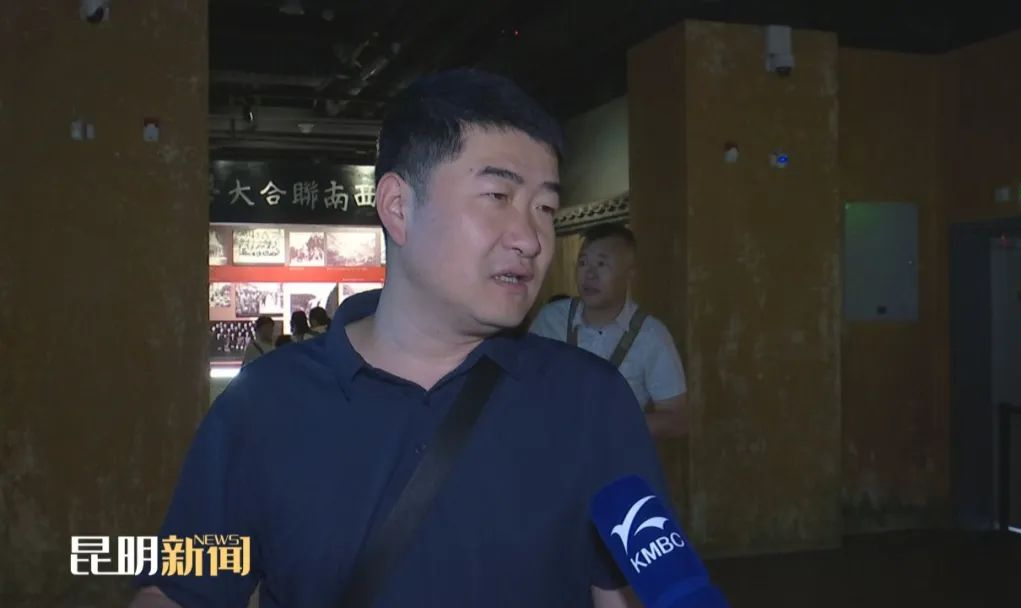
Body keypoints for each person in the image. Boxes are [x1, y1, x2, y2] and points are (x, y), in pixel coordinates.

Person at [132, 69, 665, 608]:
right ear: (398, 207)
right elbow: (176, 591)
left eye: (545, 208)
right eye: (497, 195)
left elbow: (627, 595)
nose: (530, 238)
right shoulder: (266, 403)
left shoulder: (590, 403)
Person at [530, 224, 689, 438]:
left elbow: (677, 419)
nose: (589, 274)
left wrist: (614, 426)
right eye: (583, 263)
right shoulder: (551, 319)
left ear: (629, 274)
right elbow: (522, 384)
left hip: (615, 455)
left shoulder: (651, 335)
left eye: (601, 264)